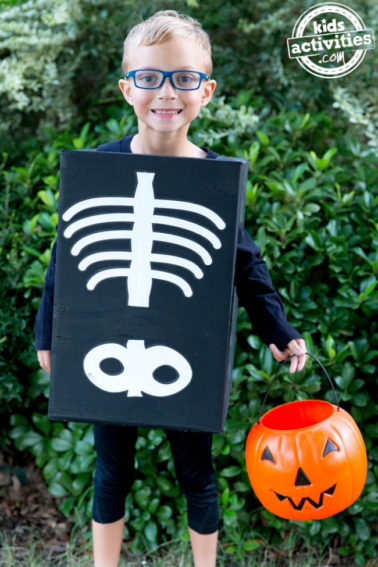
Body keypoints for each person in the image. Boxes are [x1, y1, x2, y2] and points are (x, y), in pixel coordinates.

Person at [35, 10, 307, 567]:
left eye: (184, 78)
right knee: (111, 472)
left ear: (205, 91)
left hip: (189, 353)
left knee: (196, 473)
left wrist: (277, 329)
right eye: (150, 77)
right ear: (126, 89)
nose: (166, 92)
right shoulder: (98, 171)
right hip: (103, 345)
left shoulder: (215, 182)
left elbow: (246, 265)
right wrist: (49, 336)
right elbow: (64, 261)